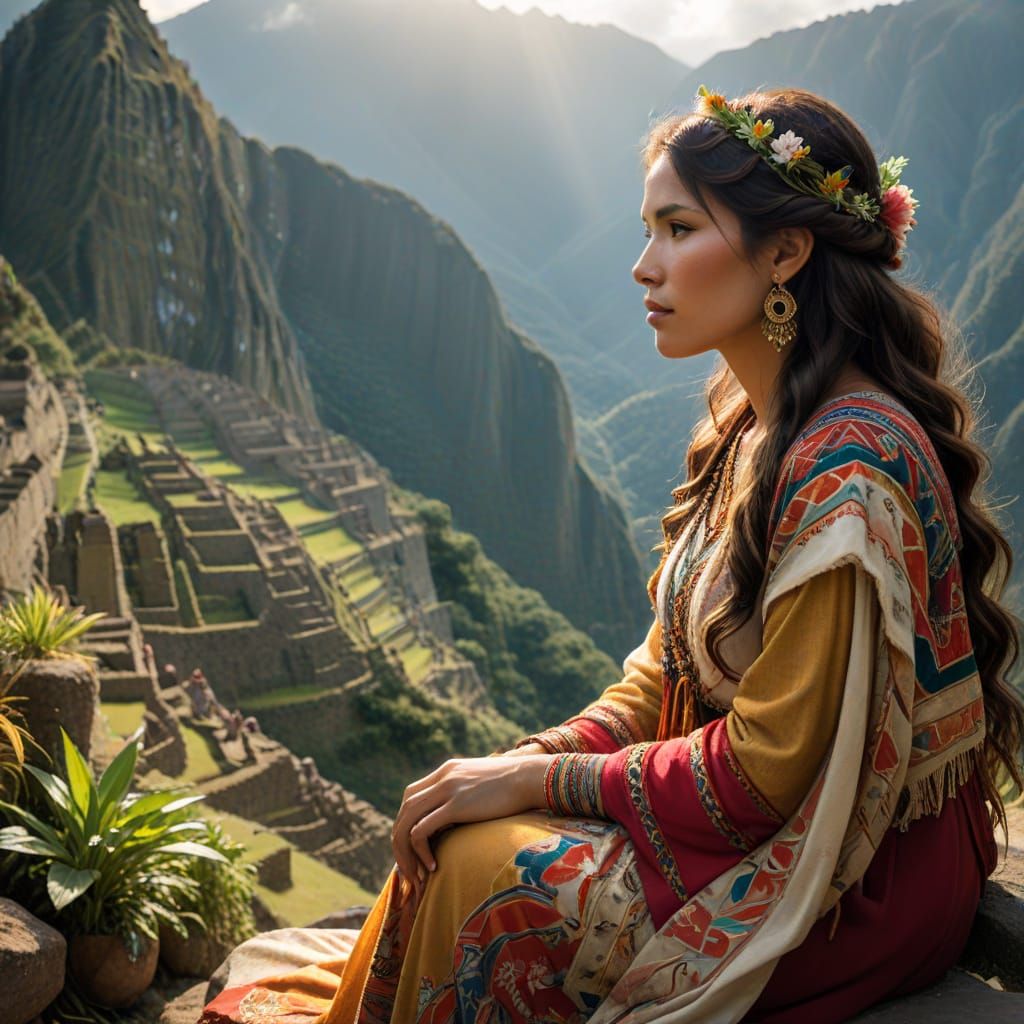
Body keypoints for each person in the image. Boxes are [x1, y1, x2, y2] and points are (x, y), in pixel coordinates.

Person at [196, 85, 1023, 1024]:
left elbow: (770, 770)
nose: (643, 266)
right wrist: (531, 757)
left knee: (481, 874)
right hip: (770, 819)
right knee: (459, 818)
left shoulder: (847, 470)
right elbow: (663, 676)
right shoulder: (755, 429)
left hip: (854, 876)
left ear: (787, 251)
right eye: (647, 230)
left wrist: (537, 781)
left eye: (677, 230)